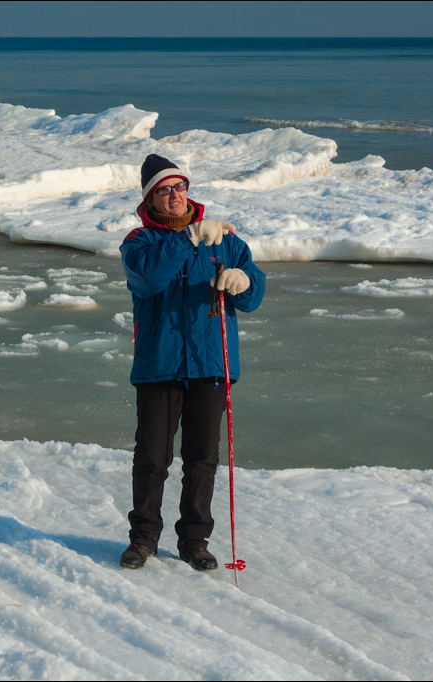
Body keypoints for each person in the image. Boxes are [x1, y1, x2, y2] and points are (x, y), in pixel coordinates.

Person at [118, 154, 265, 571]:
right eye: (164, 190)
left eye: (180, 187)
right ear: (151, 199)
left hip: (211, 366)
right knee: (152, 457)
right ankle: (143, 538)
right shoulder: (139, 242)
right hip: (159, 366)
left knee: (203, 458)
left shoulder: (226, 240)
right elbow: (149, 279)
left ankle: (194, 541)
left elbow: (255, 296)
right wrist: (189, 240)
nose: (175, 196)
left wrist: (245, 281)